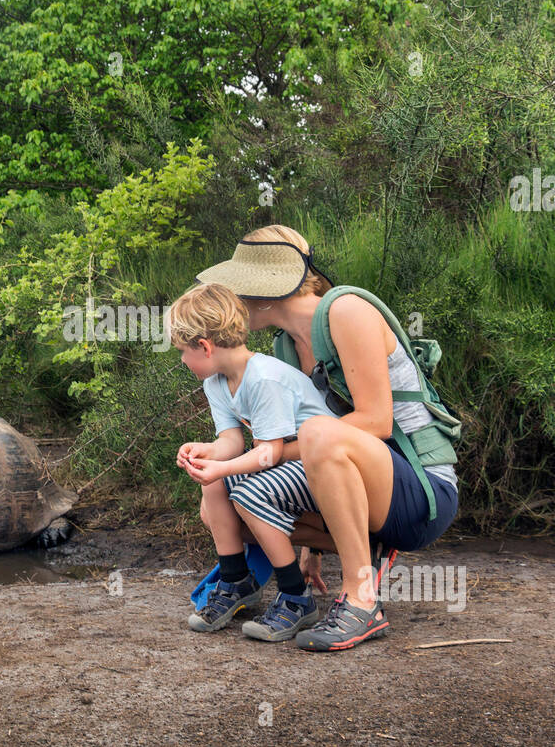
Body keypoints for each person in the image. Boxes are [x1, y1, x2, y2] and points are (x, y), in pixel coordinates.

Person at [193, 223, 460, 651]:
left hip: (421, 490)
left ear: (266, 290)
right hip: (362, 483)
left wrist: (272, 454)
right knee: (224, 497)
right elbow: (316, 447)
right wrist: (311, 551)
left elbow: (376, 422)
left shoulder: (346, 312)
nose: (234, 303)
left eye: (237, 290)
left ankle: (362, 600)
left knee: (317, 433)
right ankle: (322, 569)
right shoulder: (285, 347)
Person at [166, 281, 337, 641]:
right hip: (285, 466)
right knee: (213, 483)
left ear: (205, 346)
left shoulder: (263, 378)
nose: (182, 360)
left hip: (324, 468)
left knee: (247, 492)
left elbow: (269, 453)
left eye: (183, 351)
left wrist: (226, 467)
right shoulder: (217, 382)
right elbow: (232, 441)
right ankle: (235, 580)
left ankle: (295, 597)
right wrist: (206, 453)